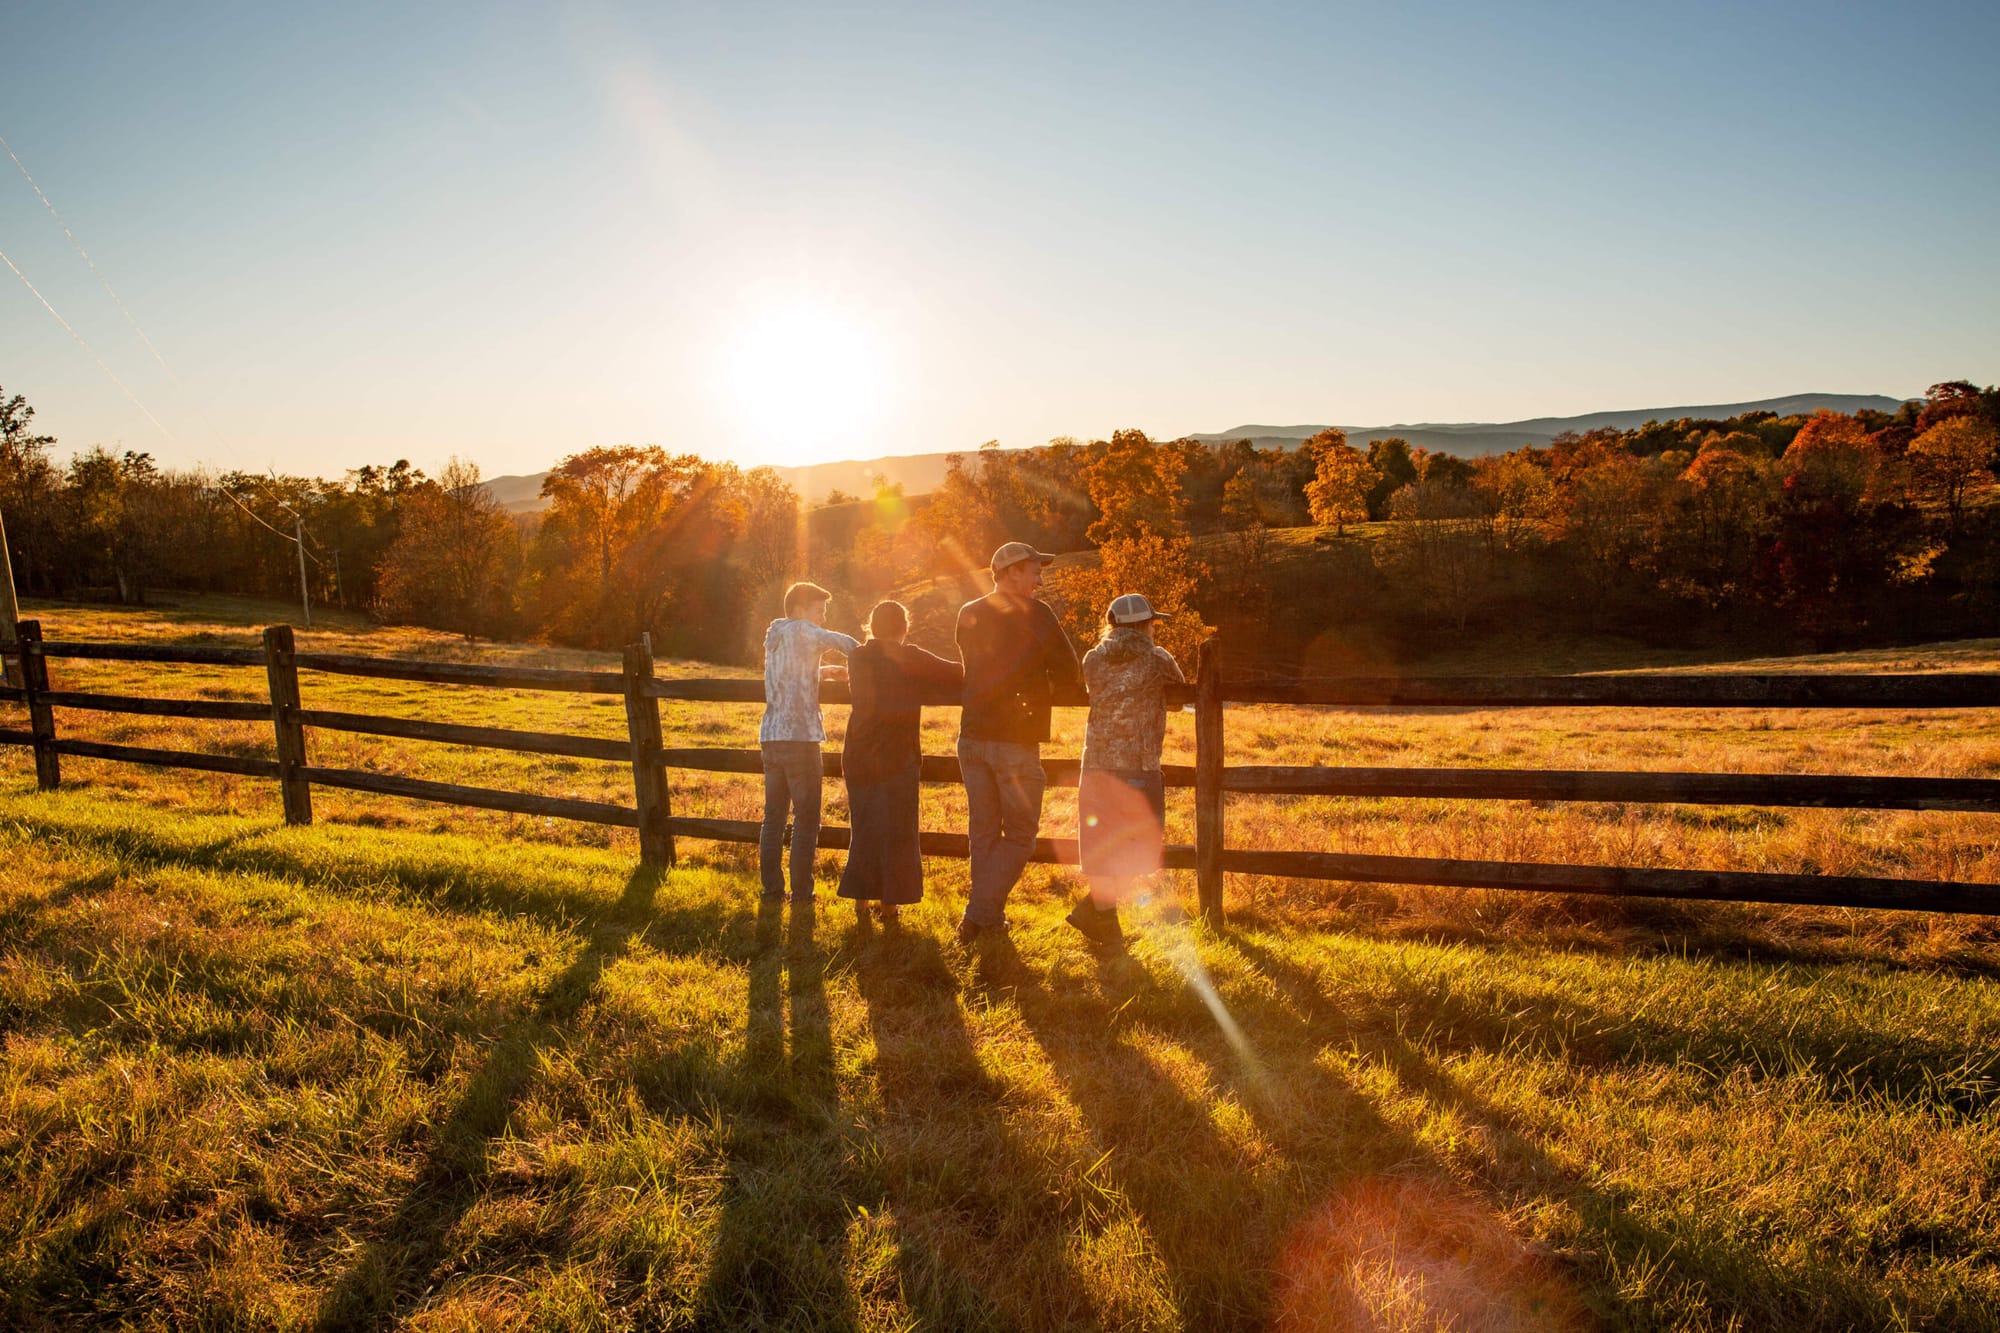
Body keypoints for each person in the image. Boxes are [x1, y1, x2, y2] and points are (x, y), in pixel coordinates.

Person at [955, 540, 1085, 944]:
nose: (1039, 579)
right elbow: (1068, 671)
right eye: (1033, 570)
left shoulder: (969, 612)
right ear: (1011, 572)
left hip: (972, 736)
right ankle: (977, 915)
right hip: (1015, 740)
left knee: (984, 834)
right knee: (1022, 836)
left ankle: (988, 919)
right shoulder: (1036, 614)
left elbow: (970, 667)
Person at [1067, 592, 1186, 952]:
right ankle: (1099, 917)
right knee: (1142, 849)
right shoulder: (1157, 658)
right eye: (1152, 623)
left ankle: (1101, 919)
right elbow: (1180, 696)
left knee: (1103, 846)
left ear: (1112, 624)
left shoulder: (1092, 659)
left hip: (1097, 767)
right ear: (1144, 625)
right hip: (1138, 766)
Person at [838, 600, 964, 923]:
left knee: (864, 826)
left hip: (858, 753)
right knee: (897, 831)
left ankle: (861, 903)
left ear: (872, 626)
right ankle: (890, 907)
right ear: (904, 628)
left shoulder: (857, 656)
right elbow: (957, 673)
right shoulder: (910, 656)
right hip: (897, 756)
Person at [760, 581, 858, 902]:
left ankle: (772, 890)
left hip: (771, 735)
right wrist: (878, 655)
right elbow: (846, 643)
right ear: (801, 609)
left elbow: (792, 671)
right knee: (806, 819)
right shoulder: (805, 630)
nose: (822, 618)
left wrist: (825, 670)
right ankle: (802, 893)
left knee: (773, 818)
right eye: (819, 610)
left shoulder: (777, 634)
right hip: (800, 738)